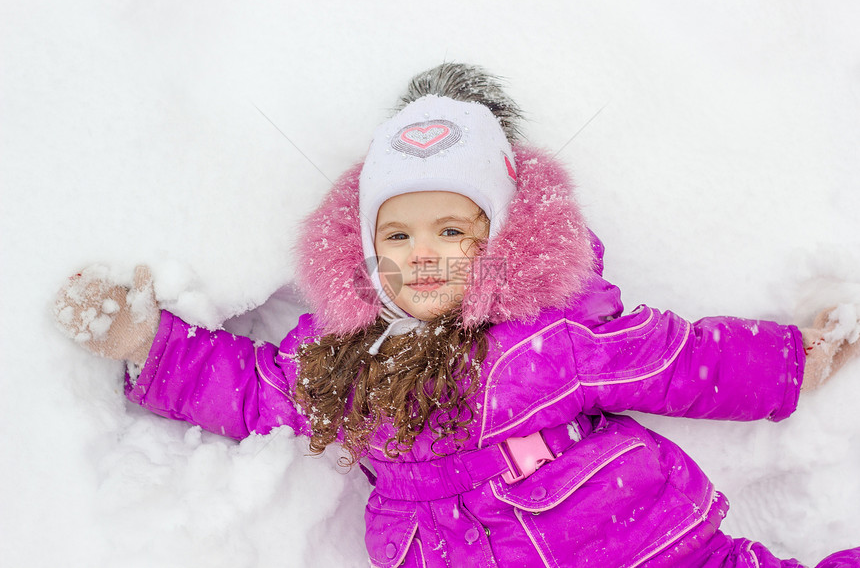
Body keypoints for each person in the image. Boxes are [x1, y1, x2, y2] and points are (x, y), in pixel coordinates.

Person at [54, 64, 860, 567]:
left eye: (452, 230)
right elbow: (252, 385)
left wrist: (799, 357)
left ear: (496, 235)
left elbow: (678, 362)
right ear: (368, 248)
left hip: (632, 538)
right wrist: (147, 341)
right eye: (398, 233)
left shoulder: (557, 328)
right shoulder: (347, 365)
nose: (424, 254)